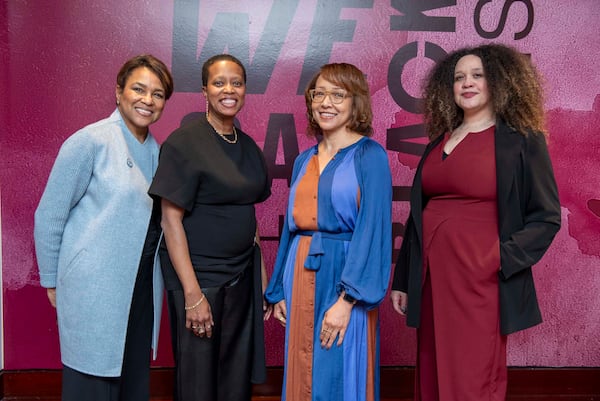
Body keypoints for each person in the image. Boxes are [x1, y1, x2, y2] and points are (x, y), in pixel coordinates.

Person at [390, 43, 561, 400]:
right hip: (431, 280)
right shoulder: (440, 141)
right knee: (431, 374)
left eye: (477, 75)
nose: (467, 83)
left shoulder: (522, 142)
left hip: (481, 281)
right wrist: (403, 278)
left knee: (472, 379)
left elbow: (546, 217)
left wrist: (499, 259)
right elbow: (418, 217)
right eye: (459, 77)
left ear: (499, 82)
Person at [34, 54, 174, 401]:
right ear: (118, 91)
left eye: (157, 94)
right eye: (139, 89)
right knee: (92, 383)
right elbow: (49, 215)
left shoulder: (159, 152)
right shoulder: (90, 141)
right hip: (94, 288)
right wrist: (52, 280)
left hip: (141, 287)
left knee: (132, 383)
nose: (147, 100)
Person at [265, 63, 393, 401]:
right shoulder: (303, 159)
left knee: (338, 367)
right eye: (318, 93)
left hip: (345, 274)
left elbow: (373, 232)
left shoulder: (370, 155)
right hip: (300, 270)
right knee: (301, 365)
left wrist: (347, 299)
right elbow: (292, 229)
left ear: (356, 103)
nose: (326, 102)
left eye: (338, 95)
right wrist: (278, 288)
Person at [148, 53, 271, 401]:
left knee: (235, 374)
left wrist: (260, 278)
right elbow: (170, 220)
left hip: (241, 277)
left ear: (245, 89)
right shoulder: (183, 143)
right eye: (219, 82)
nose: (228, 90)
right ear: (205, 90)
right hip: (199, 278)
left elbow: (248, 216)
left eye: (236, 82)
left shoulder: (247, 146)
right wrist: (192, 295)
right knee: (198, 380)